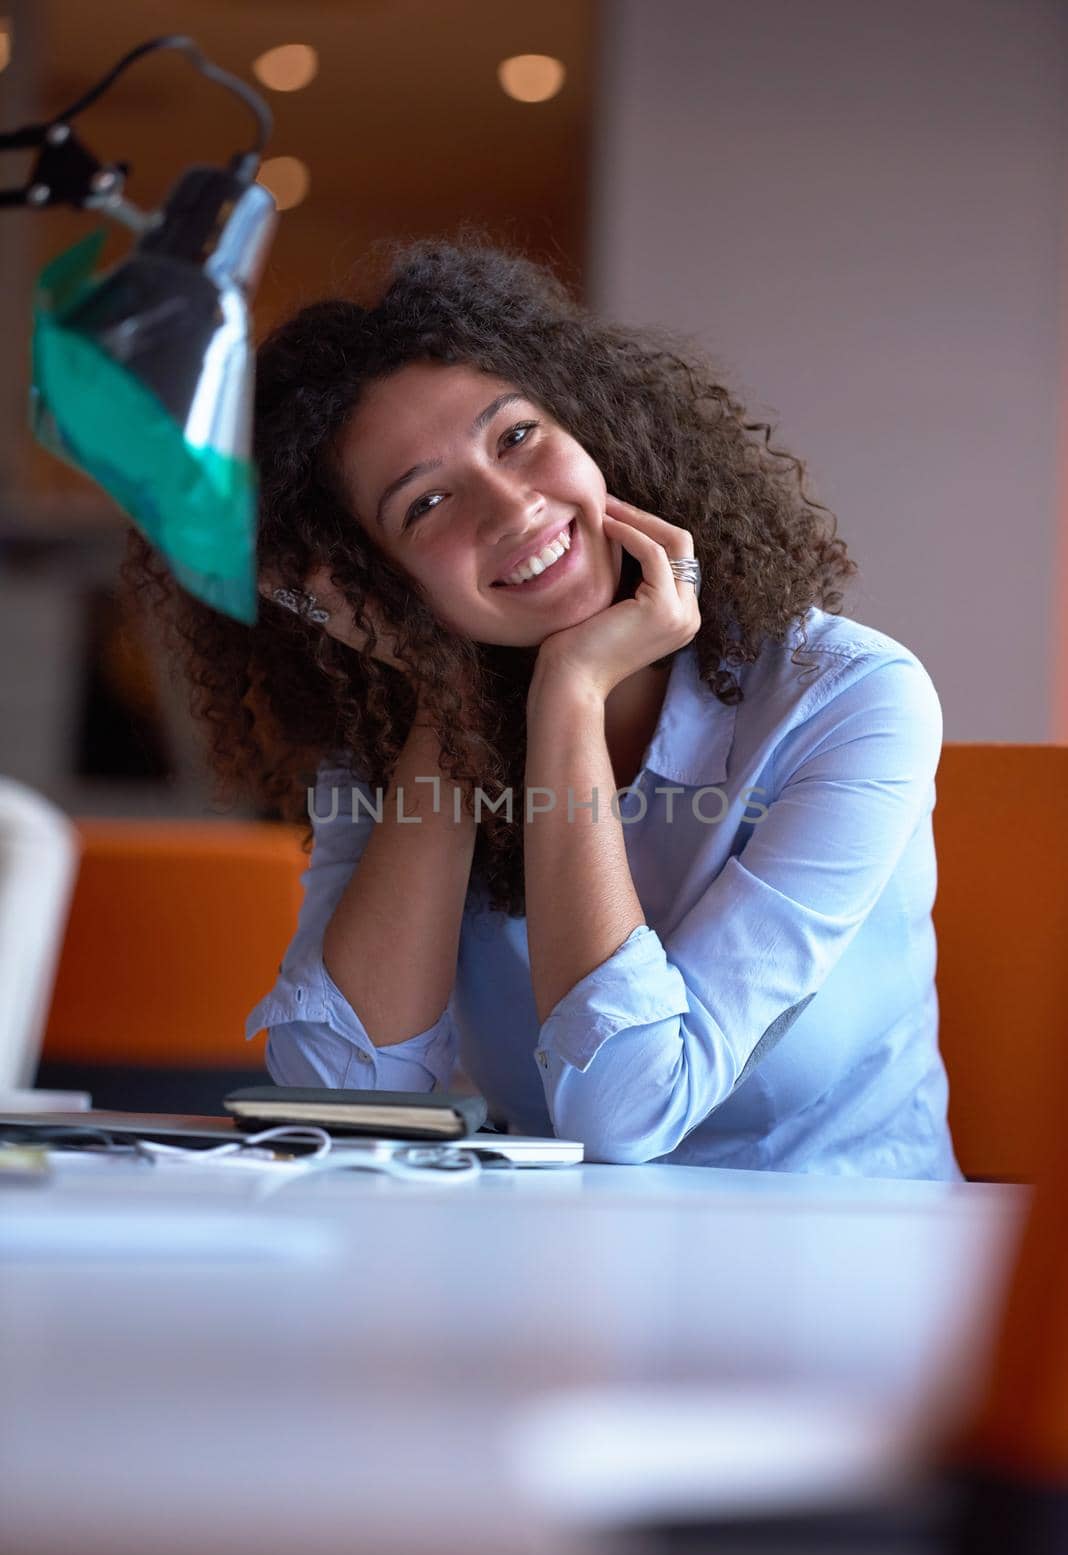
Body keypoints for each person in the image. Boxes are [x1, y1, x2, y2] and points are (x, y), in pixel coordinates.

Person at [123, 230, 963, 1178]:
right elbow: (349, 1100)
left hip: (856, 1273)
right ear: (373, 578)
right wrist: (448, 714)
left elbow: (628, 1111)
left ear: (592, 429)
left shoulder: (845, 700)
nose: (511, 507)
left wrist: (566, 696)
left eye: (518, 437)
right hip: (551, 1274)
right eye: (425, 506)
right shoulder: (390, 745)